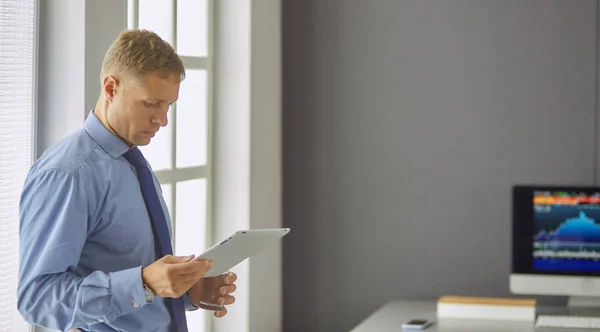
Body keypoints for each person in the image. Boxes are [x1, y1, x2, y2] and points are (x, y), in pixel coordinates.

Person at [17, 29, 236, 332]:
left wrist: (185, 292)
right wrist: (144, 283)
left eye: (168, 105)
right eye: (151, 104)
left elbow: (129, 273)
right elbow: (38, 299)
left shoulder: (130, 162)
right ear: (110, 87)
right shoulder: (68, 174)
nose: (163, 120)